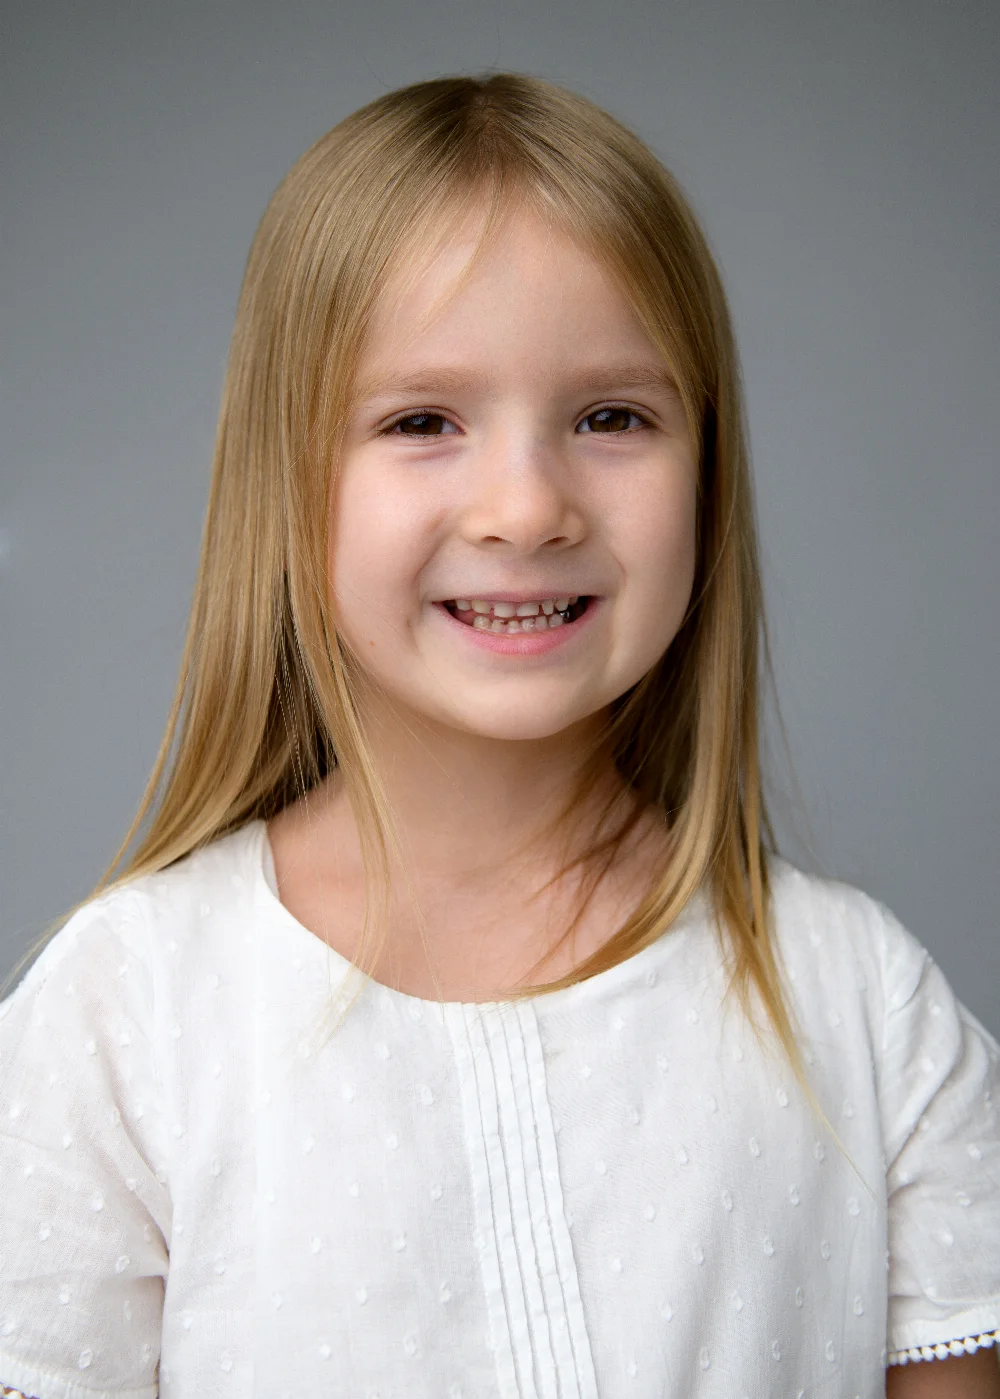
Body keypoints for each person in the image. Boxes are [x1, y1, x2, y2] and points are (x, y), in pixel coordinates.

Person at [0, 72, 997, 1399]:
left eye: (611, 417)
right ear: (285, 477)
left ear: (708, 468)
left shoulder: (866, 1007)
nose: (527, 508)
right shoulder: (125, 1011)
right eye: (422, 421)